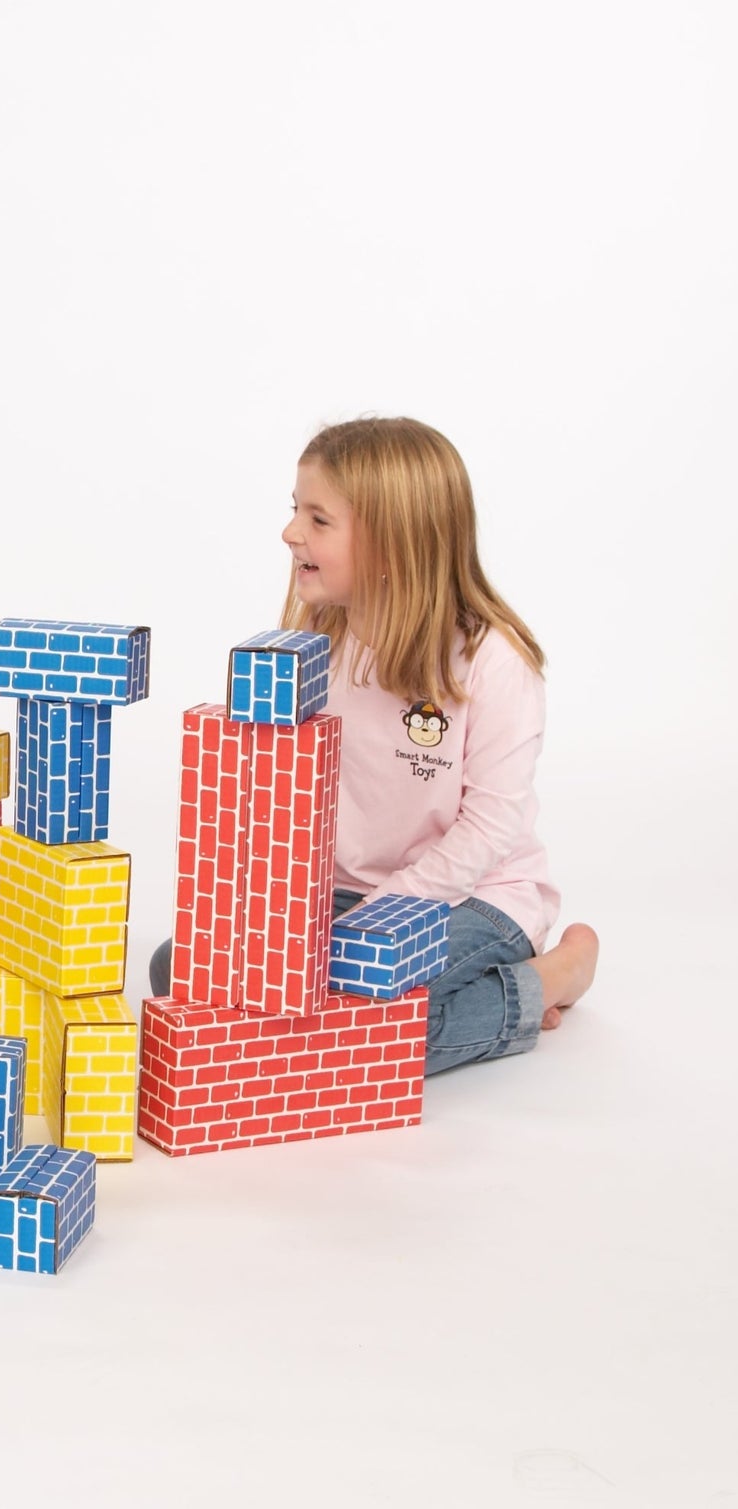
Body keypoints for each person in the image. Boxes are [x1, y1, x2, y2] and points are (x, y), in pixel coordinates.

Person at [147, 417, 598, 1072]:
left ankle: (552, 976)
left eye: (318, 519)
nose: (290, 532)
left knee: (378, 1032)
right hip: (342, 892)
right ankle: (425, 985)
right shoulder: (318, 644)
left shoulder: (493, 661)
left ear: (392, 544)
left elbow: (491, 823)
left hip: (474, 895)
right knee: (179, 972)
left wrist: (372, 923)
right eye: (294, 510)